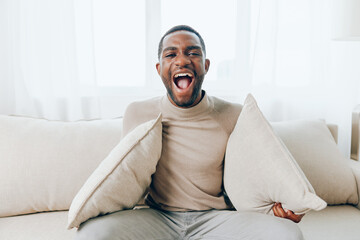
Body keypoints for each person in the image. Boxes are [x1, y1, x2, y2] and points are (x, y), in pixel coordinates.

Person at [75, 25, 304, 240]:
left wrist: (284, 206)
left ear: (205, 65)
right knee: (91, 234)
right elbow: (126, 178)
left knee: (287, 234)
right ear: (159, 69)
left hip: (216, 219)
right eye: (171, 54)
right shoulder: (138, 113)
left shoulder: (234, 115)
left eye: (192, 53)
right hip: (157, 217)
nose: (182, 60)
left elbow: (259, 170)